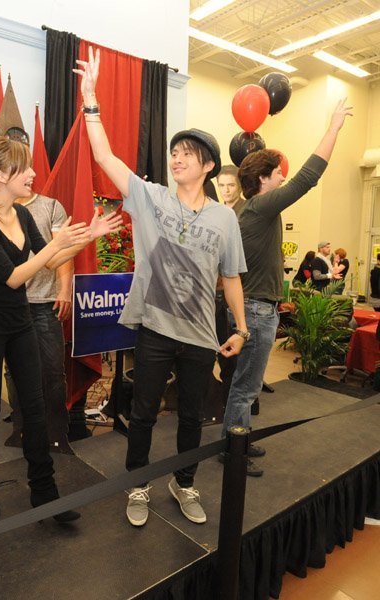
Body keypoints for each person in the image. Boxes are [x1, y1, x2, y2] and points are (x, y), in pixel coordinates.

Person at [74, 47, 247, 527]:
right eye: (174, 153)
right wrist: (91, 101)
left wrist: (242, 328)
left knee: (192, 417)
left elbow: (231, 276)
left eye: (187, 154)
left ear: (208, 166)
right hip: (154, 328)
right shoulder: (151, 198)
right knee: (144, 413)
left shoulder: (224, 219)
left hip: (201, 335)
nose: (176, 158)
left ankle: (184, 482)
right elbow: (104, 156)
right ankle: (138, 483)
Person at [0, 136, 121, 520]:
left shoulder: (23, 215)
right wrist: (55, 243)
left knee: (35, 408)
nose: (33, 173)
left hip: (20, 324)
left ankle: (45, 493)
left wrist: (88, 236)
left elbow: (49, 261)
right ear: (2, 175)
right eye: (24, 167)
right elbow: (14, 277)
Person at [221, 99, 353, 477]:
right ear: (263, 179)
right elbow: (308, 178)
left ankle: (239, 438)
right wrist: (333, 128)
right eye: (278, 173)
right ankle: (233, 450)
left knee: (244, 384)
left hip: (253, 307)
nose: (283, 177)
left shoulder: (251, 211)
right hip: (255, 310)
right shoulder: (260, 207)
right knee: (245, 386)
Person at [4, 192, 74, 454]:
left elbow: (60, 252)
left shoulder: (51, 206)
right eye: (24, 171)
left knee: (53, 371)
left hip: (45, 303)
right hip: (11, 305)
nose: (31, 174)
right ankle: (21, 429)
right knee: (13, 372)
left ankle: (56, 434)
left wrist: (64, 289)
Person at [214, 166, 245, 405]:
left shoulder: (246, 212)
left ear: (239, 186)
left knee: (235, 358)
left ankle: (234, 405)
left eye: (230, 185)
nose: (225, 190)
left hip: (237, 291)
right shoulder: (215, 212)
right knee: (219, 351)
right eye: (222, 185)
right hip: (214, 292)